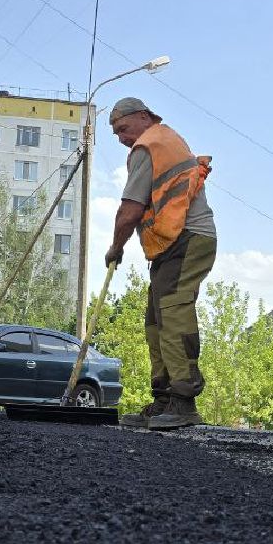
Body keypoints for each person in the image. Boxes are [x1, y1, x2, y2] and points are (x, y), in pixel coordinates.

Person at [103, 96, 217, 430]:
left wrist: (115, 247)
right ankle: (164, 399)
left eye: (123, 128)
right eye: (116, 133)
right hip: (173, 243)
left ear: (143, 117)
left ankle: (184, 401)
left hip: (188, 238)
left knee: (172, 313)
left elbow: (130, 210)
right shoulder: (165, 140)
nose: (121, 137)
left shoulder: (148, 145)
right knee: (156, 320)